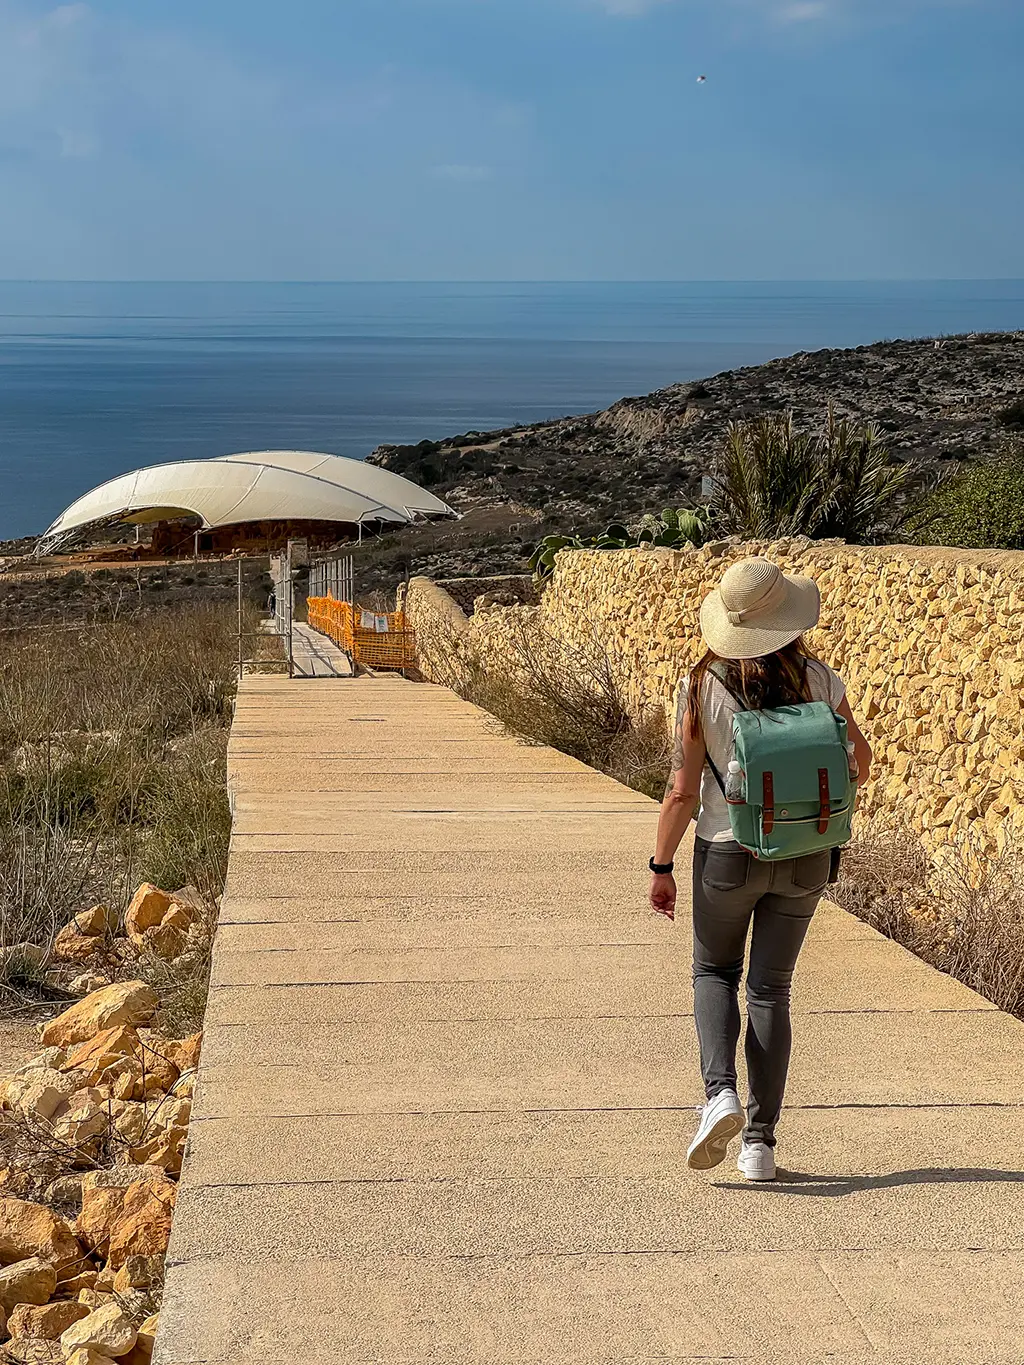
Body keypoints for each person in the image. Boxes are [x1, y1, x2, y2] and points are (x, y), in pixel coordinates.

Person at [649, 557, 872, 1181]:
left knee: (713, 970)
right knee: (771, 990)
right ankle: (760, 1144)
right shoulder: (822, 681)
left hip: (726, 852)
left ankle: (717, 1092)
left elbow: (682, 792)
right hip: (804, 856)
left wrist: (661, 864)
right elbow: (860, 761)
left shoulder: (702, 688)